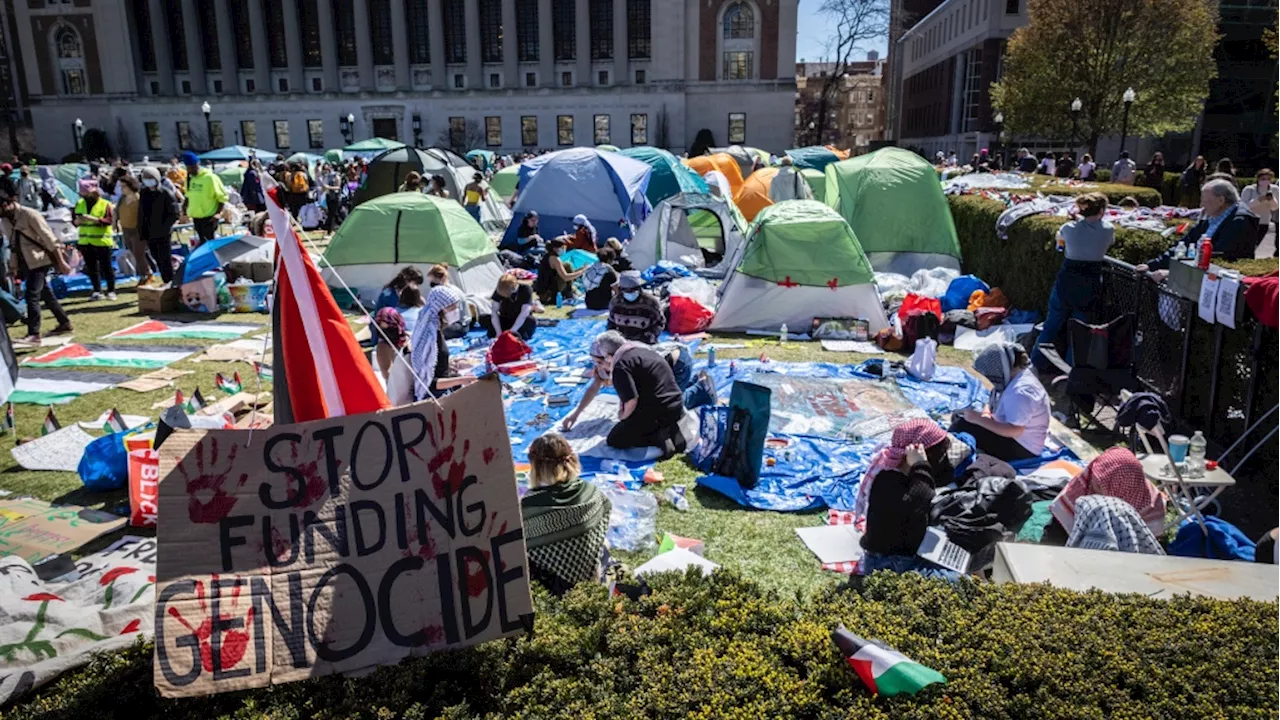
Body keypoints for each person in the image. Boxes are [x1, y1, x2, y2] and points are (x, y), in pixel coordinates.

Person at [562, 331, 689, 457]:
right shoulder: (640, 350)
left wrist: (623, 416)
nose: (599, 367)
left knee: (615, 440)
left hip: (658, 410)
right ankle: (670, 429)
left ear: (608, 356)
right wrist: (576, 414)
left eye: (601, 362)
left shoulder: (620, 365)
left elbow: (631, 400)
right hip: (676, 405)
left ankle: (658, 436)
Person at [521, 433, 612, 596]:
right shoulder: (590, 491)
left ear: (537, 467)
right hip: (594, 573)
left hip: (561, 589)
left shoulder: (530, 505)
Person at [1031, 192, 1112, 370]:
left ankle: (1034, 365)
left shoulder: (1068, 228)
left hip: (1067, 280)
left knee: (1051, 325)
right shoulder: (1108, 230)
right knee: (1079, 332)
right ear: (1101, 211)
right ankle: (1070, 373)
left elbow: (1060, 241)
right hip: (1090, 282)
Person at [1137, 178, 1260, 277]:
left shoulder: (1239, 221)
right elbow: (1184, 244)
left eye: (1205, 201)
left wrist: (1174, 273)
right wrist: (1153, 265)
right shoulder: (1213, 216)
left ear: (1221, 200)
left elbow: (1218, 258)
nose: (1201, 205)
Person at [0, 180, 72, 344]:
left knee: (32, 295)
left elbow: (50, 240)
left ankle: (34, 333)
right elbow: (13, 245)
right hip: (25, 261)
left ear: (6, 204)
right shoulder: (5, 221)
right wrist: (13, 266)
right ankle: (64, 322)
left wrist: (61, 262)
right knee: (46, 294)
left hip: (40, 259)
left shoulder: (30, 214)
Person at [952, 343, 1050, 462]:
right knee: (960, 415)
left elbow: (1015, 430)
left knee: (960, 425)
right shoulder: (1014, 377)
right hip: (1010, 433)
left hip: (1023, 448)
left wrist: (980, 420)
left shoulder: (1021, 392)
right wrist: (986, 415)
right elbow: (992, 401)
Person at [1047, 447, 1167, 541]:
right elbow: (1057, 529)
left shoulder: (1151, 504)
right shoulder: (1084, 484)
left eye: (1100, 485)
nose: (1092, 482)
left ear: (1119, 490)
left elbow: (1146, 547)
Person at [407, 283, 475, 401]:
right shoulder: (429, 338)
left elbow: (435, 363)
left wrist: (452, 364)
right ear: (440, 309)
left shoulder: (434, 329)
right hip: (435, 399)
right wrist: (461, 380)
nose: (456, 311)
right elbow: (429, 384)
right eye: (452, 308)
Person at [72, 177, 116, 300]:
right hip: (85, 241)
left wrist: (93, 219)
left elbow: (109, 220)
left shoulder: (105, 204)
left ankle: (111, 291)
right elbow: (73, 221)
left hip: (102, 240)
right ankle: (97, 291)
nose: (83, 195)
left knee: (106, 267)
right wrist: (77, 221)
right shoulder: (79, 203)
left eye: (85, 192)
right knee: (91, 268)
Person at [137, 167, 179, 285]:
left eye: (150, 178)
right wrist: (142, 232)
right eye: (146, 178)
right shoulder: (144, 193)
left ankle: (170, 281)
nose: (148, 181)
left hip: (163, 233)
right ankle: (166, 280)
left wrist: (164, 228)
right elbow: (141, 214)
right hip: (149, 233)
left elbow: (174, 214)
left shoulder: (166, 193)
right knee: (156, 257)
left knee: (164, 258)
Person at [183, 151, 228, 246]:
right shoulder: (189, 179)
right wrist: (184, 211)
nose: (191, 170)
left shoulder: (210, 178)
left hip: (209, 217)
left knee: (209, 243)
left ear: (198, 164)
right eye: (188, 168)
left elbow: (222, 197)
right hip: (196, 217)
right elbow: (188, 196)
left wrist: (218, 213)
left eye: (193, 167)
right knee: (202, 243)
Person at [607, 271, 665, 345]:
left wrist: (650, 336)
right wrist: (613, 338)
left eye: (633, 289)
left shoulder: (651, 303)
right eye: (626, 290)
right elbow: (611, 323)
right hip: (622, 344)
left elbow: (659, 322)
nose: (630, 293)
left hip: (645, 344)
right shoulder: (615, 302)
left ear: (639, 288)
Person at [114, 175, 148, 283]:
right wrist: (114, 223)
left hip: (138, 230)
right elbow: (116, 211)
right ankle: (148, 271)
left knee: (139, 254)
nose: (122, 188)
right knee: (134, 253)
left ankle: (144, 275)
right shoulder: (122, 199)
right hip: (126, 229)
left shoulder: (139, 198)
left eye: (124, 186)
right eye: (121, 186)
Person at [533, 237, 586, 306]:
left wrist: (581, 269)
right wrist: (581, 272)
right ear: (555, 248)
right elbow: (565, 277)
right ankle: (568, 293)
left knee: (567, 265)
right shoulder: (555, 259)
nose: (564, 249)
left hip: (545, 288)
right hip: (548, 293)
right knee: (567, 268)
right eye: (563, 247)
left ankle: (569, 292)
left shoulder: (549, 256)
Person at [1241, 168, 1280, 257]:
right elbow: (1244, 206)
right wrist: (1259, 200)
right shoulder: (1249, 189)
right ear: (1258, 179)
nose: (1266, 181)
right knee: (1247, 245)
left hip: (1264, 221)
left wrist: (1271, 200)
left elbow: (1275, 208)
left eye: (1268, 179)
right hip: (1249, 221)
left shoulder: (1274, 189)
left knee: (1256, 244)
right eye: (1263, 179)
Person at [490, 272, 537, 339]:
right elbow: (494, 312)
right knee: (486, 319)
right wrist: (498, 332)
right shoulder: (500, 289)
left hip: (520, 320)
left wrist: (512, 331)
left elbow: (524, 313)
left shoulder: (526, 290)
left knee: (531, 321)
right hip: (506, 318)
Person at [582, 246, 620, 310]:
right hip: (603, 304)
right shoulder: (609, 271)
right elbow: (617, 291)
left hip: (589, 303)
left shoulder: (591, 267)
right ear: (609, 260)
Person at [319, 162, 342, 232]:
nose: (326, 170)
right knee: (332, 213)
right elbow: (324, 187)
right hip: (328, 196)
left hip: (335, 196)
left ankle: (329, 230)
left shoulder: (336, 176)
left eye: (327, 168)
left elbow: (338, 187)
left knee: (332, 213)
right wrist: (323, 188)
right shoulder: (326, 176)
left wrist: (329, 187)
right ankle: (338, 226)